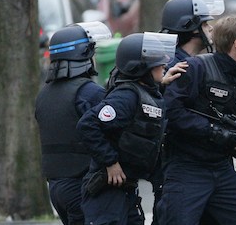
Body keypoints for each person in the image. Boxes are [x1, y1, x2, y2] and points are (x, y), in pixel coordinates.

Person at [157, 15, 236, 225]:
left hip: (222, 169)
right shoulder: (196, 68)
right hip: (188, 168)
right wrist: (212, 130)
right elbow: (171, 111)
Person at [76, 32, 179, 225]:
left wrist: (162, 84)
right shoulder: (125, 97)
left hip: (126, 191)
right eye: (158, 61)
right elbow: (88, 125)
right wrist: (110, 162)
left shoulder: (144, 92)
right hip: (106, 193)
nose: (165, 64)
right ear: (141, 67)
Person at [154, 0, 225, 225]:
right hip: (181, 162)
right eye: (205, 24)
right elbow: (174, 114)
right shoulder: (178, 65)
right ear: (191, 28)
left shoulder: (185, 60)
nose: (211, 29)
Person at [34, 22, 110, 225]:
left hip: (57, 187)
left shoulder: (44, 94)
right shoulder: (89, 92)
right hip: (83, 184)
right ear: (83, 54)